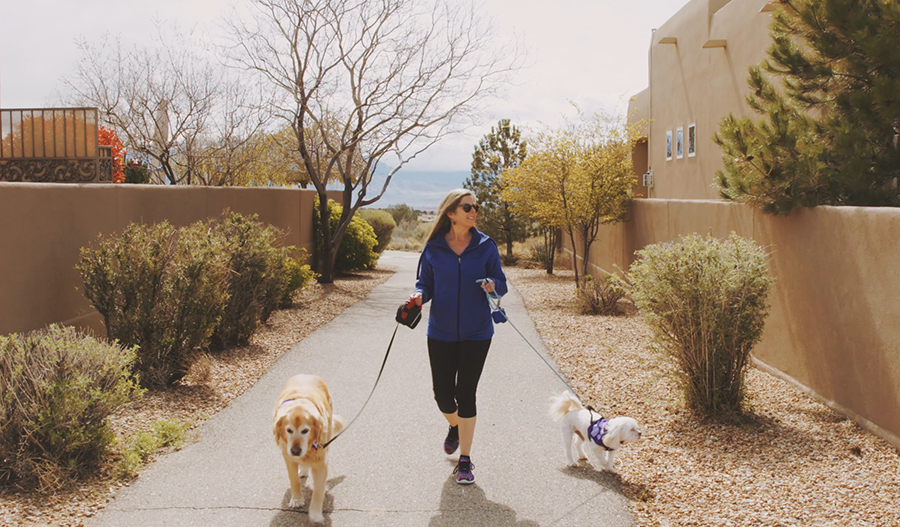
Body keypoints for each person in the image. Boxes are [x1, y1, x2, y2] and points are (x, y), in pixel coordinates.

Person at [409, 188, 508, 485]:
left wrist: (492, 285)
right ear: (451, 213)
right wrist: (417, 296)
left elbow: (501, 283)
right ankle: (455, 426)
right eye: (467, 207)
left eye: (475, 207)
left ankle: (465, 459)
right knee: (442, 394)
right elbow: (424, 283)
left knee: (466, 393)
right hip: (440, 332)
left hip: (477, 333)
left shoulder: (486, 246)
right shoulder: (434, 248)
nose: (473, 211)